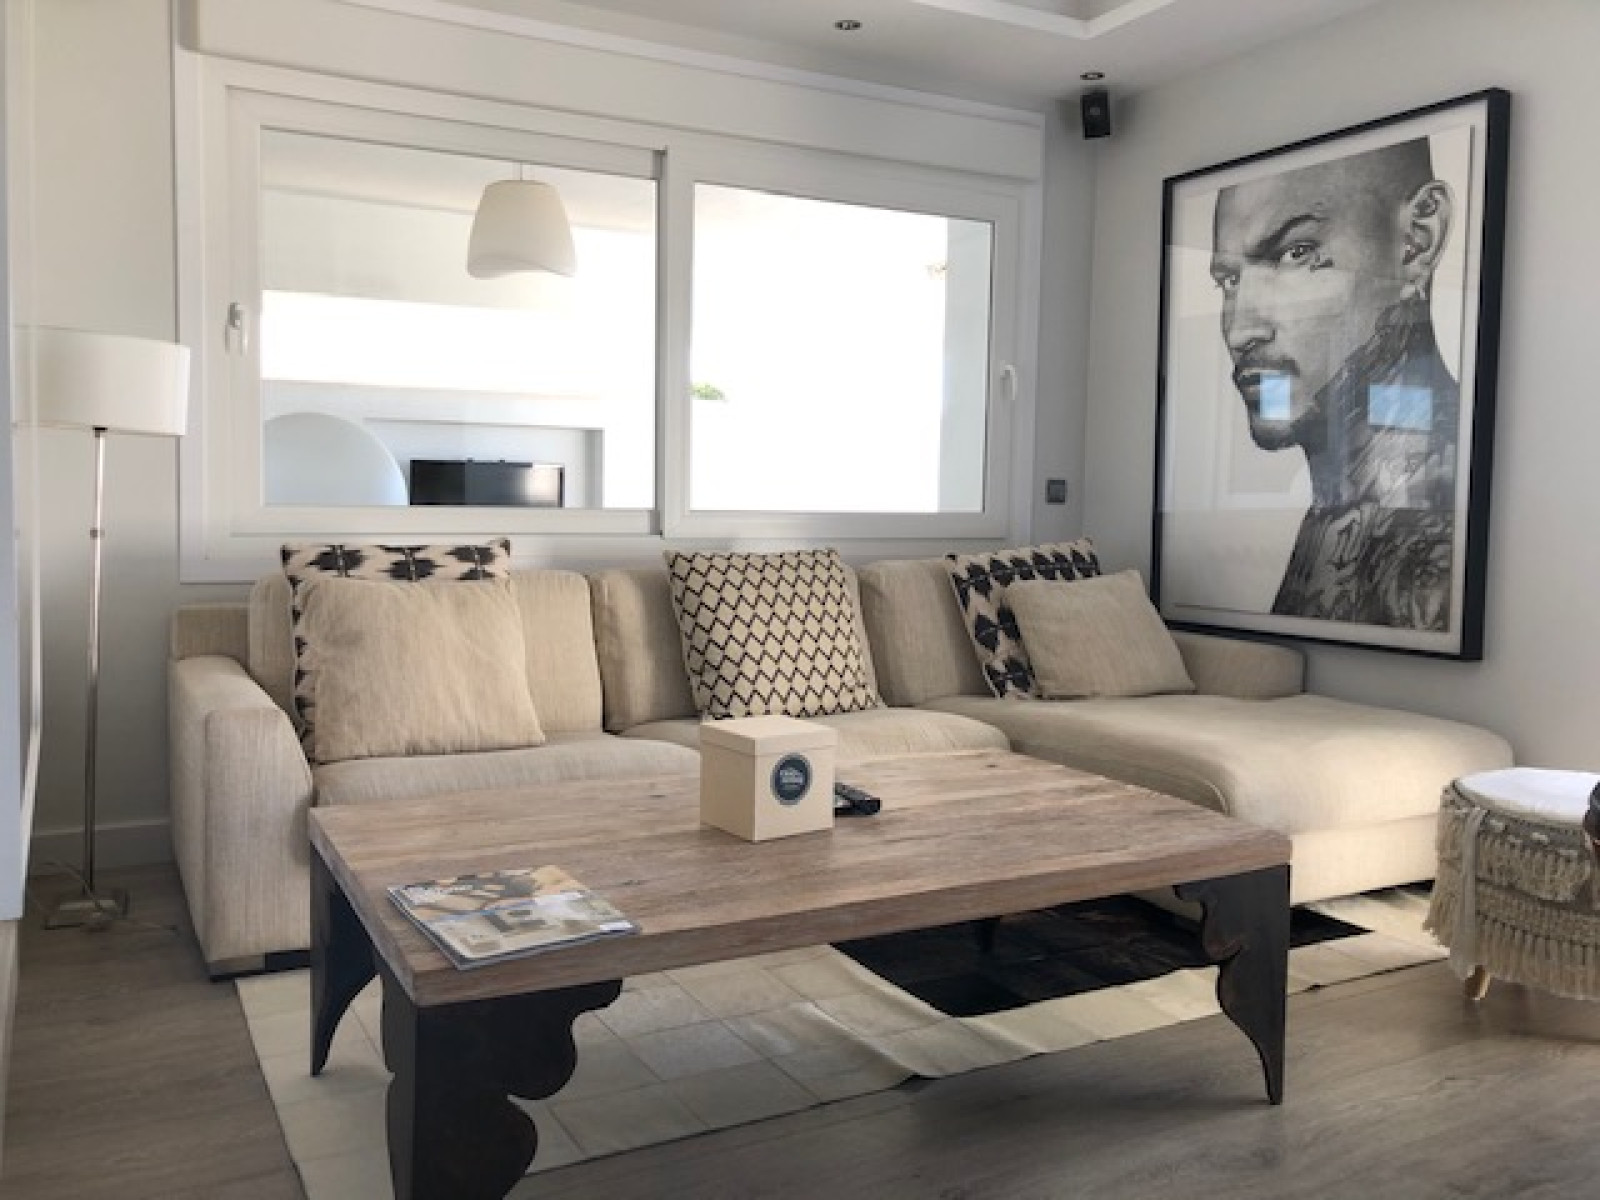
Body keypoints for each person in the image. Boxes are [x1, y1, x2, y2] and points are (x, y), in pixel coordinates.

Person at [1209, 137, 1458, 630]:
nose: (1240, 331)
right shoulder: (1338, 507)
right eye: (1229, 281)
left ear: (1417, 240)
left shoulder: (1438, 531)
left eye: (1296, 253)